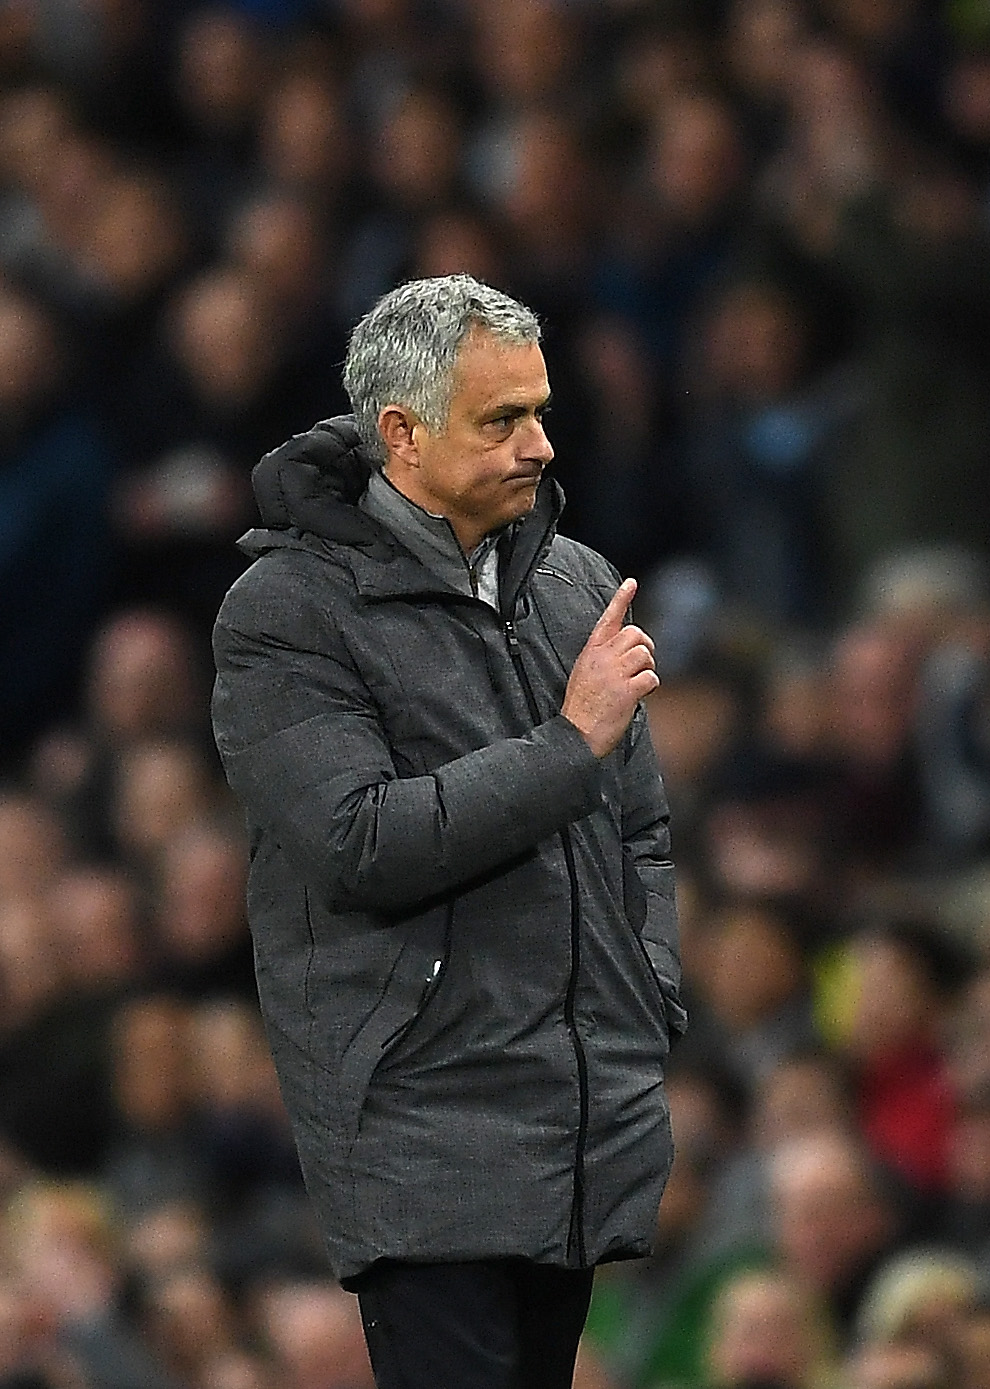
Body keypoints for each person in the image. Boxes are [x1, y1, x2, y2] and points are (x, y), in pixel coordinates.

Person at [208, 274, 688, 1389]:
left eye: (541, 410)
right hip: (420, 1115)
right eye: (502, 420)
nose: (541, 446)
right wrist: (569, 746)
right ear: (401, 436)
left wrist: (643, 984)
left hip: (572, 1103)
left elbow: (643, 831)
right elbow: (360, 840)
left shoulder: (575, 586)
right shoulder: (286, 611)